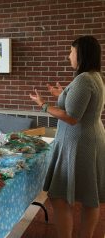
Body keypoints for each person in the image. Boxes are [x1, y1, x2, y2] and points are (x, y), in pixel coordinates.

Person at [29, 35, 105, 238]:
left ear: (81, 54)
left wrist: (43, 105)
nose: (69, 55)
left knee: (58, 195)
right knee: (91, 196)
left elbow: (71, 117)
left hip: (79, 143)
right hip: (90, 140)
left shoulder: (84, 79)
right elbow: (78, 104)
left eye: (71, 51)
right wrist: (61, 94)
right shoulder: (94, 76)